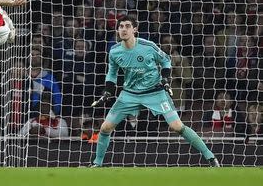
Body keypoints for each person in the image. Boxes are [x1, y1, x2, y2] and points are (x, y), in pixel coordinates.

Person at [90, 15, 220, 167]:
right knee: (105, 128)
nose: (124, 29)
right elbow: (112, 73)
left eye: (127, 26)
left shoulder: (148, 46)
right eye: (121, 27)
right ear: (118, 30)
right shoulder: (114, 51)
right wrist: (107, 92)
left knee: (177, 126)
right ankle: (97, 164)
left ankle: (211, 157)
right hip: (129, 94)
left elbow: (165, 60)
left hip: (155, 92)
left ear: (135, 29)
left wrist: (165, 79)